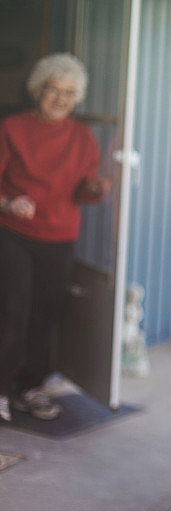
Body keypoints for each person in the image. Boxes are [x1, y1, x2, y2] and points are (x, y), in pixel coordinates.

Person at [0, 53, 110, 422]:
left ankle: (29, 388)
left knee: (44, 314)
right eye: (53, 89)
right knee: (11, 310)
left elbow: (81, 192)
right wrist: (8, 202)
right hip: (14, 232)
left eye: (69, 92)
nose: (61, 98)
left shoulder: (83, 138)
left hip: (59, 235)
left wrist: (95, 188)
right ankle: (1, 388)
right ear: (37, 91)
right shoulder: (11, 128)